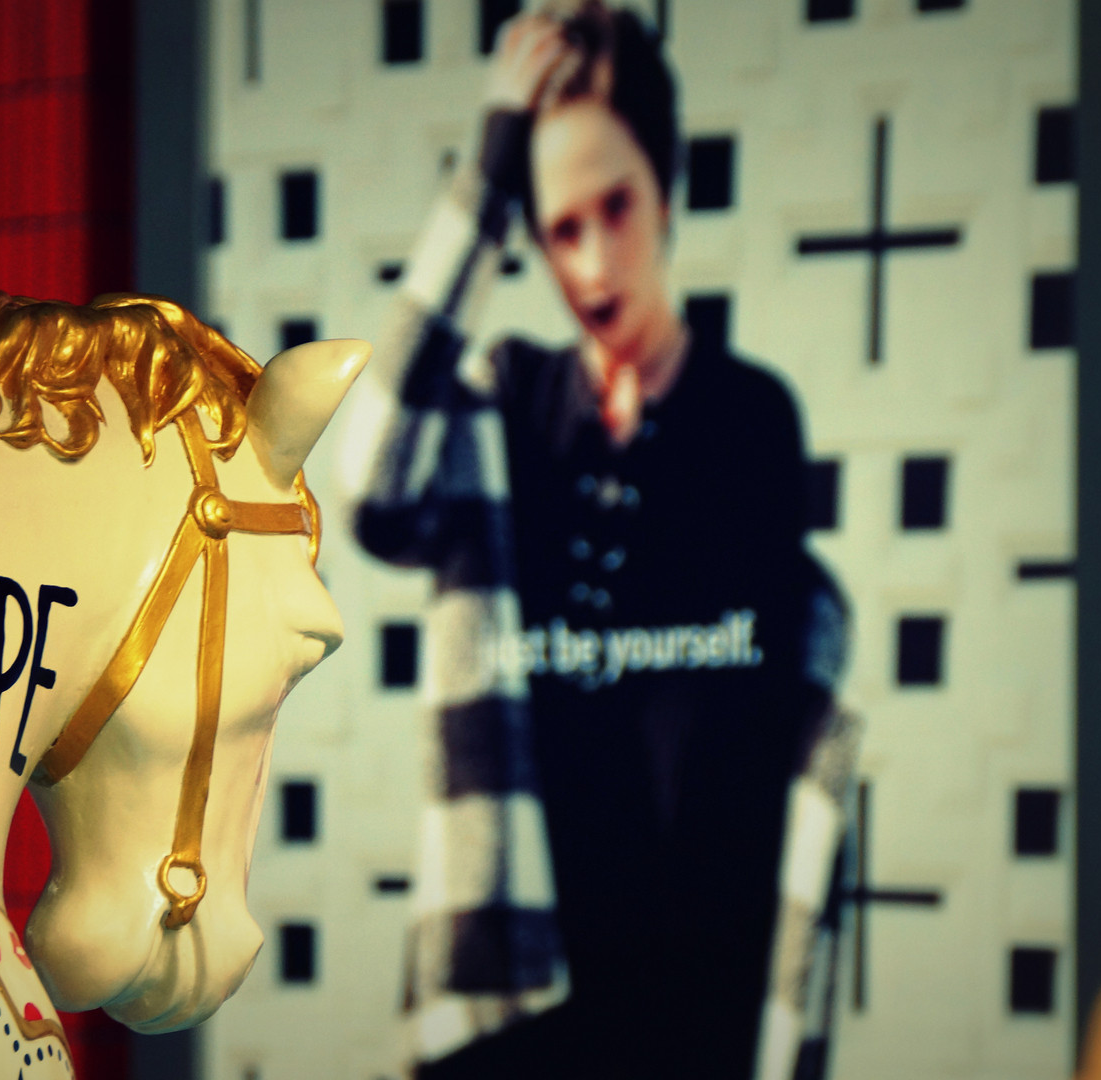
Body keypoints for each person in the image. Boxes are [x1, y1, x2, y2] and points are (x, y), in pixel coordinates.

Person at [355, 4, 848, 1077]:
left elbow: (750, 737)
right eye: (556, 228)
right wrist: (488, 173)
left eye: (614, 207)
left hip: (699, 1004)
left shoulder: (751, 418)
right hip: (517, 996)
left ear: (665, 191)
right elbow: (370, 490)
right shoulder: (504, 406)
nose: (589, 264)